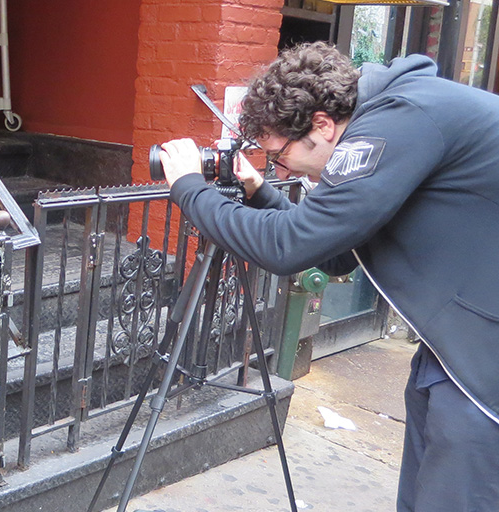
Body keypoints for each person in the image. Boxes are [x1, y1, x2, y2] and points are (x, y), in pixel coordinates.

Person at [157, 42, 499, 511]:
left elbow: (287, 247)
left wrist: (189, 189)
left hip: (483, 362)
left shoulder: (399, 120)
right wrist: (259, 193)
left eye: (278, 156)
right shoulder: (393, 119)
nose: (280, 168)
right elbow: (338, 256)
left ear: (322, 125)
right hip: (454, 350)